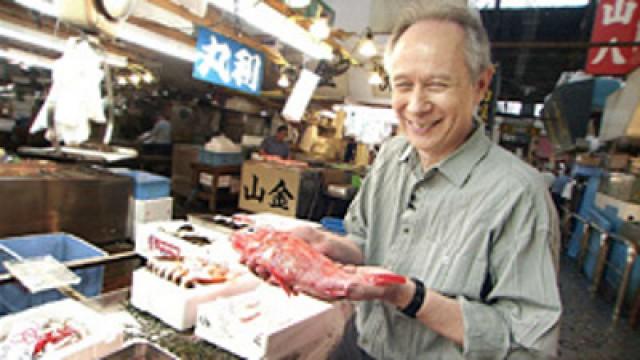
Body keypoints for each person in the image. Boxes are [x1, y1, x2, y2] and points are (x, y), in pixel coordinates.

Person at [251, 1, 562, 359]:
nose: (415, 106)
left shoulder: (519, 195)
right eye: (403, 85)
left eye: (436, 84)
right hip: (360, 344)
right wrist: (323, 246)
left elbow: (530, 344)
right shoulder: (391, 156)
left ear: (480, 85)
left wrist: (405, 295)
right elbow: (365, 240)